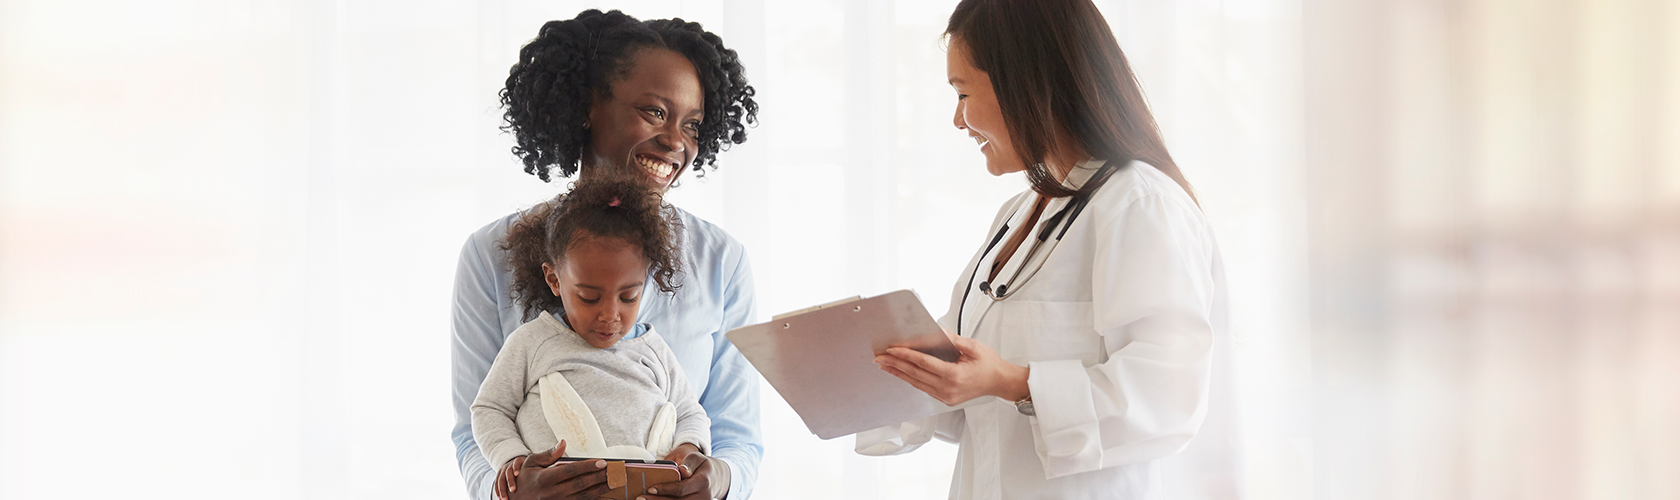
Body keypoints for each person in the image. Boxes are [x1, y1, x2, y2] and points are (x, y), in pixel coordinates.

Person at [862, 0, 1243, 498]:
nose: (958, 120)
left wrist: (1014, 383)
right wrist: (888, 367)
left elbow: (1168, 398)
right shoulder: (1018, 214)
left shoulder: (1140, 205)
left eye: (962, 93)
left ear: (1027, 85)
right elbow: (973, 402)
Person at [451, 9, 761, 500]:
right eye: (655, 112)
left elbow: (737, 436)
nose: (676, 141)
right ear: (586, 106)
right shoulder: (492, 254)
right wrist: (507, 490)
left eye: (693, 125)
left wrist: (718, 481)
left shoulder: (722, 262)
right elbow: (475, 426)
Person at [471, 178, 709, 482]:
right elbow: (490, 409)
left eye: (628, 297)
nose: (610, 316)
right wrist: (513, 460)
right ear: (554, 280)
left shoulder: (654, 350)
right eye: (589, 298)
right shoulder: (532, 343)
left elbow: (690, 413)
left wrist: (689, 447)